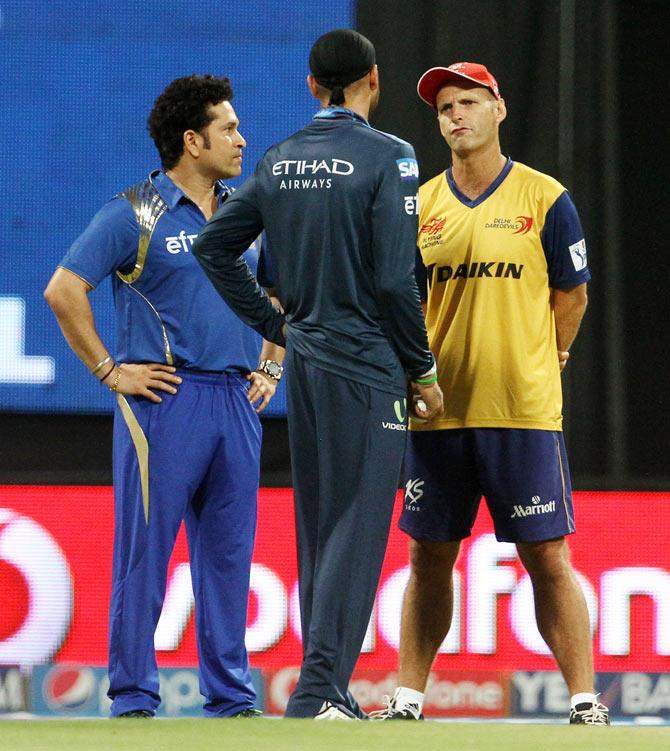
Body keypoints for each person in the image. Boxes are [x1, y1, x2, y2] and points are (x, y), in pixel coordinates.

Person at [191, 29, 443, 720]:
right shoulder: (391, 155)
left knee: (322, 525)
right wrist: (422, 368)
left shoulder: (275, 161)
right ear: (374, 78)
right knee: (358, 530)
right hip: (369, 364)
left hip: (309, 367)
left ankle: (319, 683)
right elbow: (396, 279)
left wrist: (278, 327)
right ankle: (320, 689)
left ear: (311, 85)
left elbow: (216, 248)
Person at [369, 62, 608, 726]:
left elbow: (574, 292)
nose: (456, 116)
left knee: (547, 554)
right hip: (439, 411)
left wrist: (551, 355)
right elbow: (405, 301)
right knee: (427, 554)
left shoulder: (545, 197)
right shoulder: (422, 204)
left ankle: (585, 702)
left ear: (498, 109)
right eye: (446, 107)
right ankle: (409, 697)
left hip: (522, 413)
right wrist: (418, 377)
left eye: (469, 102)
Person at [44, 75, 284, 718]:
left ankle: (232, 700)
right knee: (145, 557)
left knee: (230, 560)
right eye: (228, 128)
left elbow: (281, 293)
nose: (241, 139)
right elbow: (63, 291)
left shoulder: (246, 211)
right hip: (164, 402)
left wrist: (271, 365)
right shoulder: (133, 213)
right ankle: (132, 698)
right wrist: (109, 371)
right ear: (191, 140)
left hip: (237, 402)